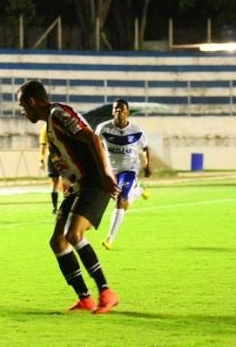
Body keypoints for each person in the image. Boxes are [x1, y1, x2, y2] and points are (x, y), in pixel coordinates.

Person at [17, 80, 120, 314]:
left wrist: (105, 174)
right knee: (58, 241)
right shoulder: (50, 123)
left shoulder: (58, 114)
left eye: (22, 104)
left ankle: (106, 292)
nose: (22, 110)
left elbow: (93, 139)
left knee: (74, 234)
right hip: (78, 185)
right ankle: (85, 299)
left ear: (32, 101)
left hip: (95, 181)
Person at [95, 99, 152, 250]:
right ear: (112, 112)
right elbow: (95, 145)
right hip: (110, 171)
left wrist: (147, 165)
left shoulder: (136, 130)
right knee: (121, 201)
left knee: (120, 201)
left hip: (129, 170)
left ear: (127, 112)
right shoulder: (103, 128)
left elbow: (145, 147)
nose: (119, 111)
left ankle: (109, 239)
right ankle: (139, 190)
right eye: (116, 109)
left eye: (122, 109)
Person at [39, 123, 63, 214]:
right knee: (54, 183)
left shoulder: (60, 126)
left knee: (66, 181)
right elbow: (43, 145)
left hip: (64, 156)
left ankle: (66, 206)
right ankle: (55, 207)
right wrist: (41, 159)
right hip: (53, 157)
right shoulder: (45, 128)